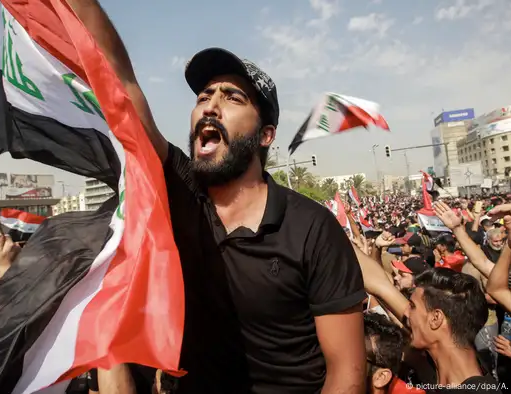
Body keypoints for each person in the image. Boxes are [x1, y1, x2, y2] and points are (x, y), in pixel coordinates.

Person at [66, 1, 367, 392]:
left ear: (265, 135)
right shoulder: (182, 194)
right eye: (204, 96)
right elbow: (119, 82)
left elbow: (347, 373)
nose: (210, 105)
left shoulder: (313, 229)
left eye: (232, 98)